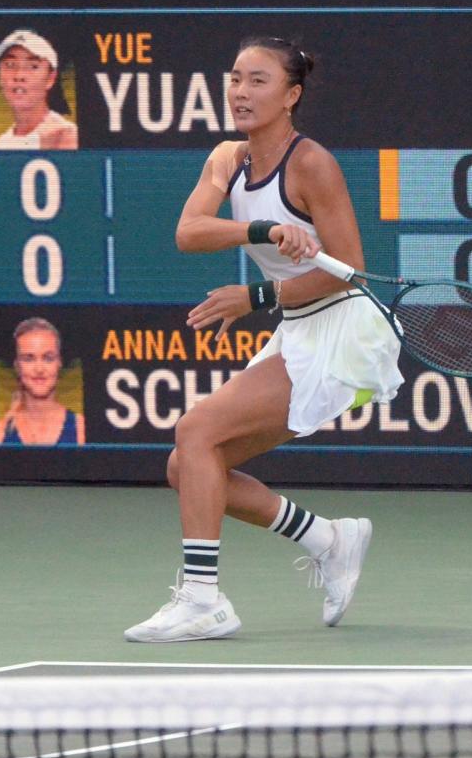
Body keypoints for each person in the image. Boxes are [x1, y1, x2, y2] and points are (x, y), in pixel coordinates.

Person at [123, 36, 404, 643]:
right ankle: (328, 539)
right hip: (298, 328)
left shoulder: (311, 164)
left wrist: (254, 297)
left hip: (344, 330)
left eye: (258, 81)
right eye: (234, 79)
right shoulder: (227, 157)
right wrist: (266, 228)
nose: (240, 92)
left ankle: (203, 600)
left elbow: (348, 267)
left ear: (291, 95)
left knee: (196, 431)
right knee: (190, 466)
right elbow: (190, 232)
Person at [0, 317, 86, 446]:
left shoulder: (80, 428)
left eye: (48, 358)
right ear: (17, 365)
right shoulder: (0, 432)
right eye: (29, 359)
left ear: (59, 363)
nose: (39, 369)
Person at [0, 29, 78, 150]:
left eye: (33, 66)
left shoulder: (65, 135)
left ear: (50, 78)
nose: (19, 75)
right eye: (10, 65)